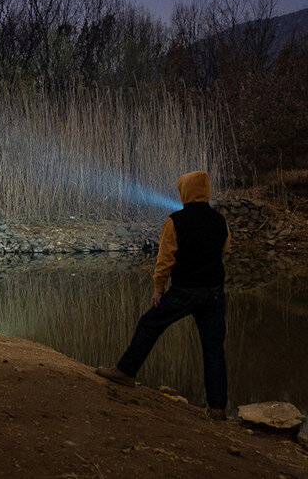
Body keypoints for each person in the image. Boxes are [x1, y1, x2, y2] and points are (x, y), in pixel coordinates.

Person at [95, 170, 230, 419]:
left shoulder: (175, 220)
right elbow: (224, 249)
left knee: (149, 323)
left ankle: (125, 371)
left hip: (185, 290)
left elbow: (165, 259)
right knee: (213, 349)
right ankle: (218, 408)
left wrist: (159, 288)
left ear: (185, 191)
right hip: (214, 292)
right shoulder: (219, 220)